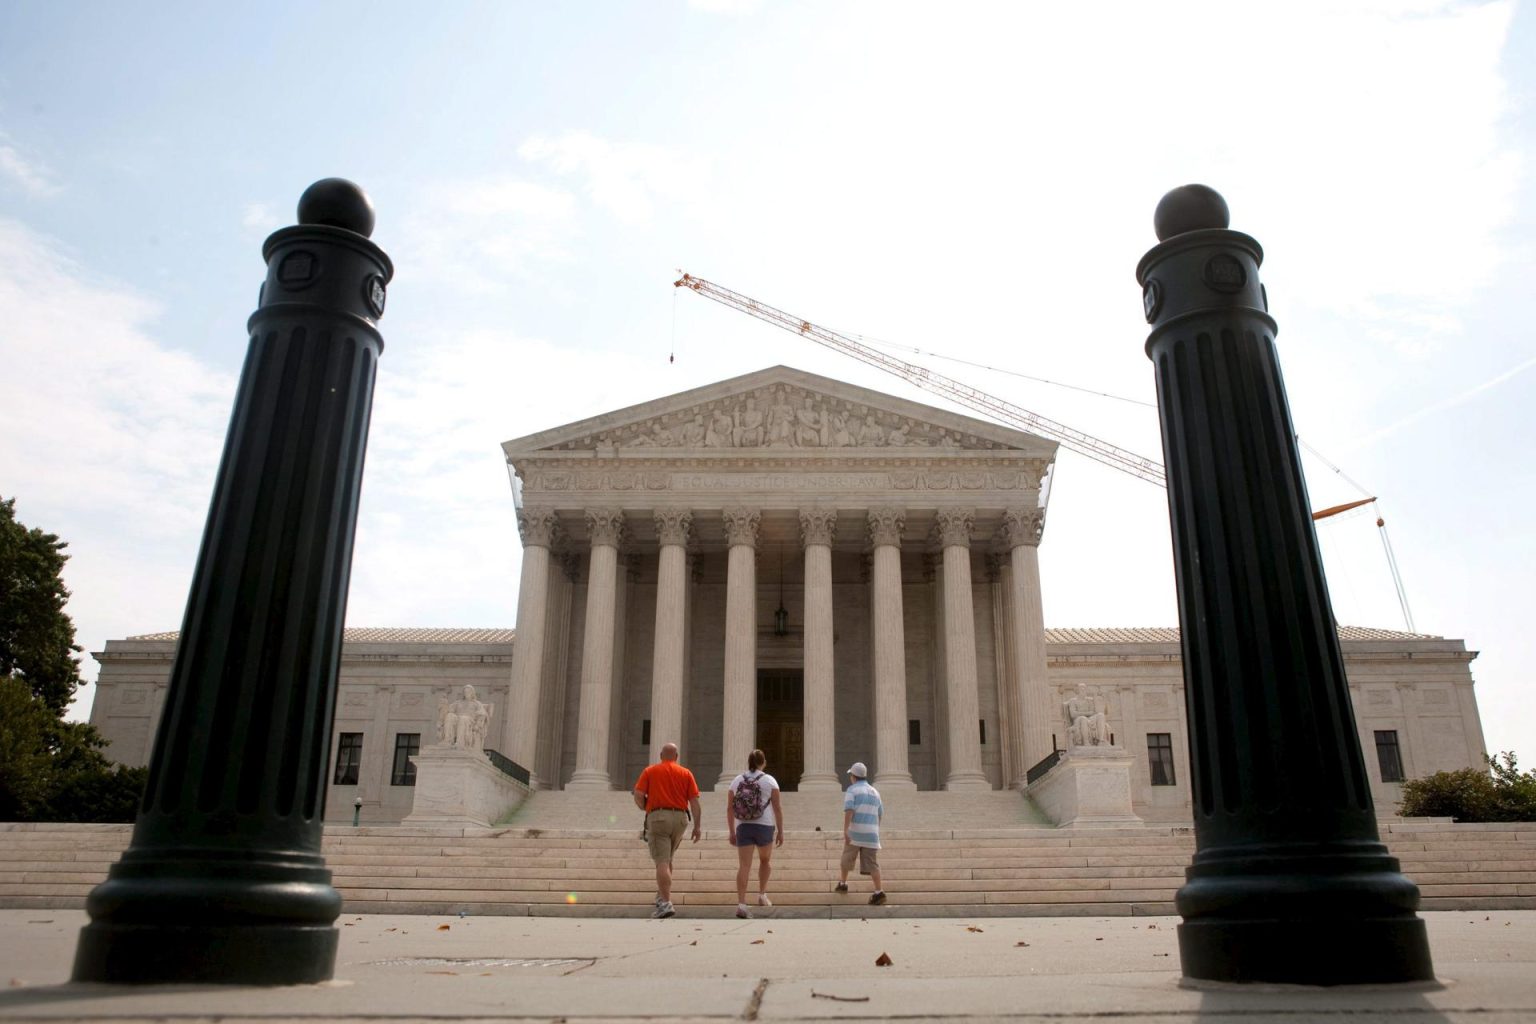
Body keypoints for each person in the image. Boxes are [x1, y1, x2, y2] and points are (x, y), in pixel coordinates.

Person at [633, 742, 702, 919]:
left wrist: (645, 807)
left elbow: (639, 794)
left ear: (661, 755)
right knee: (668, 858)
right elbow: (694, 802)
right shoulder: (686, 773)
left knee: (662, 861)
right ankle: (661, 895)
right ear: (677, 757)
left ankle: (665, 903)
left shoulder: (650, 771)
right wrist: (697, 826)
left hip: (659, 817)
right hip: (680, 818)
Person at [726, 748, 783, 919]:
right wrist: (780, 831)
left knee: (744, 865)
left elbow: (729, 808)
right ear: (763, 762)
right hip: (764, 825)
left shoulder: (736, 781)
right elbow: (777, 808)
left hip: (743, 825)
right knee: (765, 860)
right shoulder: (770, 781)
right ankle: (762, 895)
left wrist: (731, 830)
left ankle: (742, 904)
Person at [836, 761, 885, 904]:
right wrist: (875, 830)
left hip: (856, 832)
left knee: (846, 859)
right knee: (873, 864)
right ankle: (879, 891)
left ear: (853, 776)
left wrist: (845, 830)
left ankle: (843, 884)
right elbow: (880, 813)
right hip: (872, 834)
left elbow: (849, 810)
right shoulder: (875, 792)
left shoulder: (852, 790)